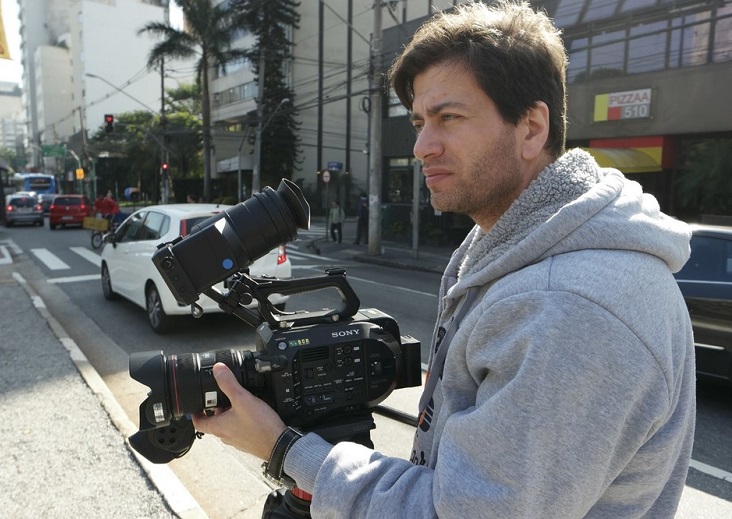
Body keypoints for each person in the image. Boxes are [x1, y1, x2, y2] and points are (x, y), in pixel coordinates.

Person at [192, 2, 695, 517]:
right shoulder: (507, 251)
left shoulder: (566, 307)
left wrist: (286, 448)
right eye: (418, 122)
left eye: (448, 118)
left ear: (531, 128)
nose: (421, 146)